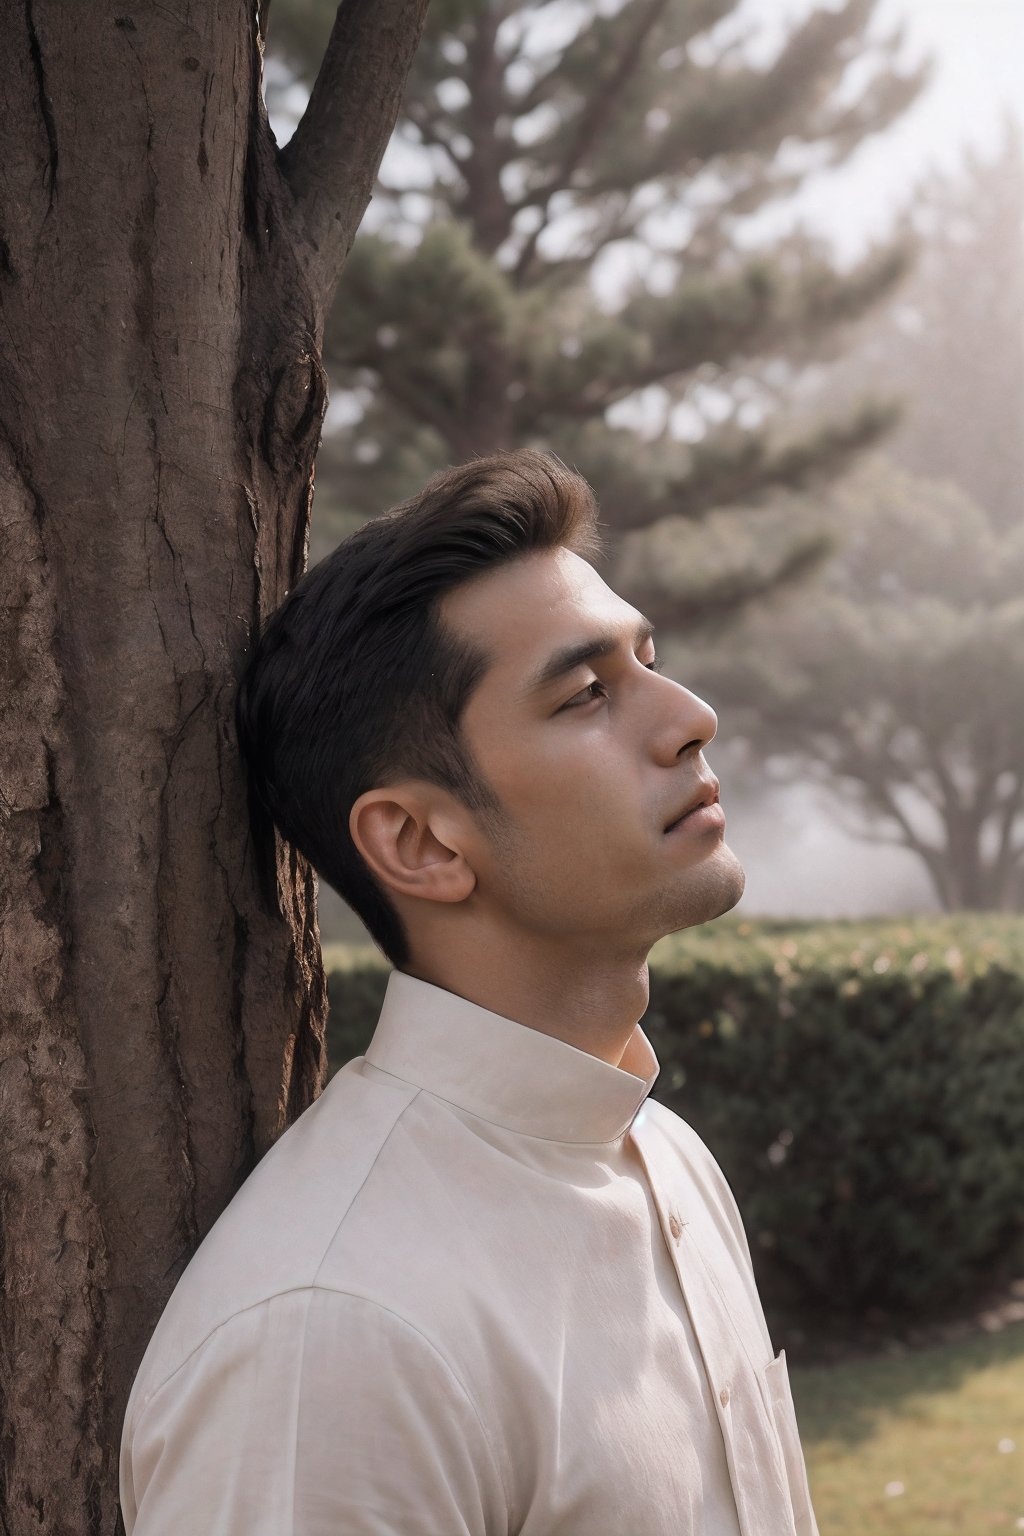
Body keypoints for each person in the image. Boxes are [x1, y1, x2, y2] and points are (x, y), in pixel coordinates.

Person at [119, 450, 819, 1535]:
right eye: (587, 693)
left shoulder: (666, 1159)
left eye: (650, 661)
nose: (689, 716)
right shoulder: (331, 1336)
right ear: (419, 842)